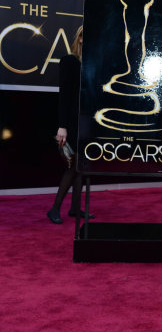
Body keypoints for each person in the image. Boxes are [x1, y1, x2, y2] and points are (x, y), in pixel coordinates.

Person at [47, 27, 95, 224]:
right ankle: (55, 208)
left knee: (82, 165)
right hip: (72, 121)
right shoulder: (69, 61)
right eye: (87, 36)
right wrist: (62, 126)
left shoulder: (93, 64)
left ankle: (75, 208)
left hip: (88, 121)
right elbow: (64, 95)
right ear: (81, 38)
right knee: (74, 165)